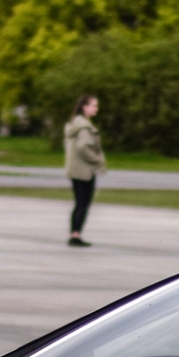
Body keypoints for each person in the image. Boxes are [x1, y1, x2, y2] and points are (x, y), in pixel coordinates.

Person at [64, 94, 104, 247]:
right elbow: (83, 147)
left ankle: (74, 233)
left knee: (79, 202)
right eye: (94, 105)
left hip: (74, 169)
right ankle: (76, 235)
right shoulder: (84, 127)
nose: (96, 108)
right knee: (83, 203)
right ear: (84, 107)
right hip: (85, 170)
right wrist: (96, 159)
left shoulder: (74, 123)